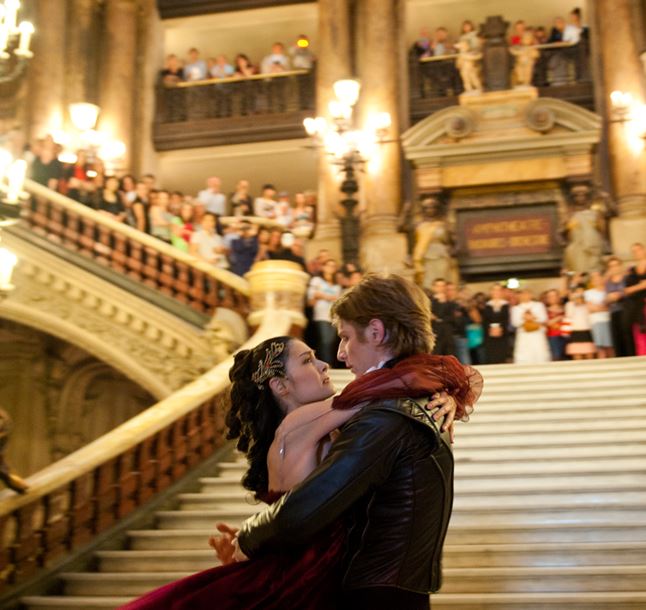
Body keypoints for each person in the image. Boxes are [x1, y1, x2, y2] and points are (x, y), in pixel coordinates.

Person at [121, 317, 476, 608]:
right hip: (308, 578)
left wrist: (447, 393)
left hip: (305, 569)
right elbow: (387, 389)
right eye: (307, 360)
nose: (325, 364)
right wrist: (446, 391)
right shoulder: (299, 424)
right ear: (280, 385)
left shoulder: (303, 428)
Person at [234, 275, 482, 610]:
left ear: (377, 333)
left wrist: (247, 538)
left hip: (377, 593)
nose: (337, 355)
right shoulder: (410, 397)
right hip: (390, 588)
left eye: (346, 338)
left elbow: (310, 504)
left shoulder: (387, 413)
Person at [308, 259, 342, 365]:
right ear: (323, 267)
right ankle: (326, 364)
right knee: (325, 340)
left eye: (333, 266)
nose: (331, 268)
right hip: (321, 315)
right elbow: (312, 296)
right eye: (328, 265)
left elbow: (339, 299)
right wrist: (330, 297)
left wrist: (323, 295)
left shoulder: (337, 285)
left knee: (331, 342)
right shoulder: (316, 280)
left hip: (333, 316)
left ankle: (327, 363)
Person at [511, 289, 551, 363]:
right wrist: (524, 318)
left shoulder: (539, 305)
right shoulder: (516, 308)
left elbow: (544, 318)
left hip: (537, 333)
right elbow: (515, 322)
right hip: (524, 335)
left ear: (531, 295)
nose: (525, 296)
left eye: (527, 294)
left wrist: (533, 317)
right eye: (523, 294)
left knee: (539, 351)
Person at [624, 242, 646, 356]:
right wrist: (641, 286)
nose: (636, 253)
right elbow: (626, 290)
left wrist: (636, 287)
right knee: (640, 337)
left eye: (638, 250)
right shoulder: (631, 271)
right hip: (637, 308)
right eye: (634, 251)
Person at [482, 283, 510, 364]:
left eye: (498, 290)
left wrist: (500, 328)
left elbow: (506, 319)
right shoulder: (487, 305)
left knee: (502, 357)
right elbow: (485, 320)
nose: (496, 292)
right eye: (494, 290)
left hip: (502, 334)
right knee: (491, 357)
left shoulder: (506, 305)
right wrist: (491, 328)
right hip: (490, 335)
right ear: (491, 292)